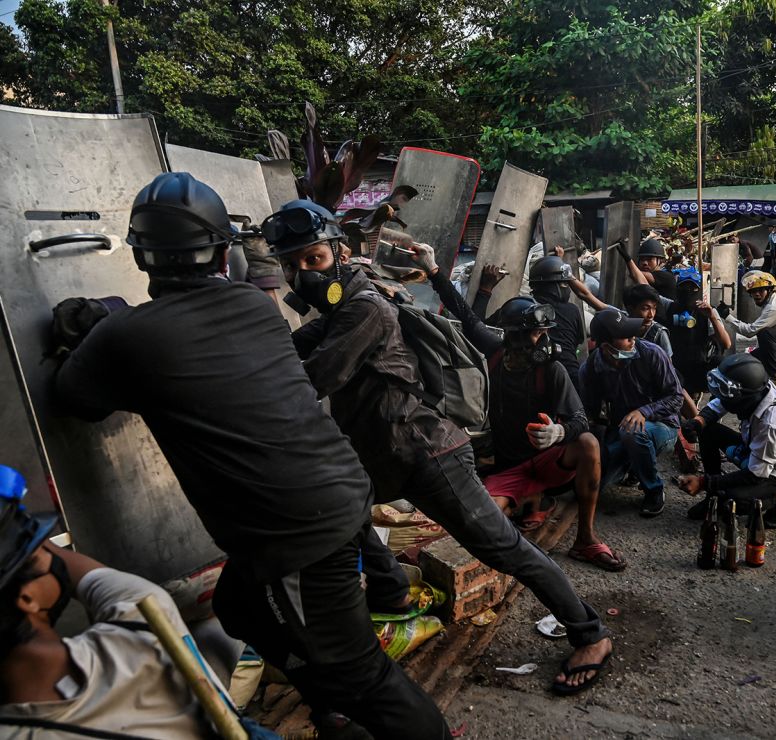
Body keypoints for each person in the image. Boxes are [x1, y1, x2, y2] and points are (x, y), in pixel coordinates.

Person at [51, 173, 443, 738]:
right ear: (220, 251)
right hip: (336, 493)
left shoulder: (125, 338)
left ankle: (343, 698)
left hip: (294, 533)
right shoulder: (253, 306)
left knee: (365, 676)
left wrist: (97, 327)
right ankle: (331, 705)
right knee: (239, 605)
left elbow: (75, 399)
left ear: (142, 257)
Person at [265, 201, 613, 696]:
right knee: (343, 513)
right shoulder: (343, 307)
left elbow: (311, 378)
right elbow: (288, 352)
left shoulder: (364, 307)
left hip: (429, 454)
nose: (302, 274)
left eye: (313, 259)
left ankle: (590, 633)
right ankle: (392, 590)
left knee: (504, 549)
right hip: (383, 456)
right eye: (290, 265)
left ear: (339, 254)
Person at [415, 245, 626, 572]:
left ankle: (585, 538)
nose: (543, 339)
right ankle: (528, 502)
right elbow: (465, 317)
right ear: (514, 336)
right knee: (482, 522)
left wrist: (559, 432)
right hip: (510, 470)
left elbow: (581, 421)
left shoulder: (552, 369)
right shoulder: (495, 353)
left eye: (544, 332)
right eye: (536, 333)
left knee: (588, 444)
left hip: (548, 462)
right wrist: (432, 270)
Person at [0, 465, 216, 737]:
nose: (50, 554)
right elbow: (87, 575)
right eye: (38, 550)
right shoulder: (143, 626)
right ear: (27, 598)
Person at [579, 309, 683, 517]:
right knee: (595, 483)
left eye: (633, 335)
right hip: (619, 428)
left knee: (633, 432)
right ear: (606, 347)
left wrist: (644, 412)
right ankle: (634, 465)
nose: (633, 340)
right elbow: (589, 411)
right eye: (627, 338)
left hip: (663, 425)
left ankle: (654, 490)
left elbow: (676, 397)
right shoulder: (590, 368)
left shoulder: (652, 354)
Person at [677, 354, 776, 526]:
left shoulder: (772, 426)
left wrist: (703, 482)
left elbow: (754, 475)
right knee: (707, 429)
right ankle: (713, 497)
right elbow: (722, 402)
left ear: (743, 399)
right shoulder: (757, 389)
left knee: (732, 503)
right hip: (755, 449)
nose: (722, 397)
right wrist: (698, 422)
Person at [516, 255, 586, 394]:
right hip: (572, 379)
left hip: (535, 381)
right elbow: (579, 341)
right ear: (552, 285)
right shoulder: (572, 310)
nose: (567, 288)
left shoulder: (524, 308)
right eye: (564, 284)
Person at [663, 267, 731, 395]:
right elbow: (648, 292)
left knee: (721, 362)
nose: (688, 291)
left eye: (692, 288)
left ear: (698, 291)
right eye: (684, 287)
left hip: (699, 367)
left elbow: (726, 344)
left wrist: (711, 316)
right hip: (675, 368)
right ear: (678, 289)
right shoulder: (670, 306)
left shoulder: (707, 311)